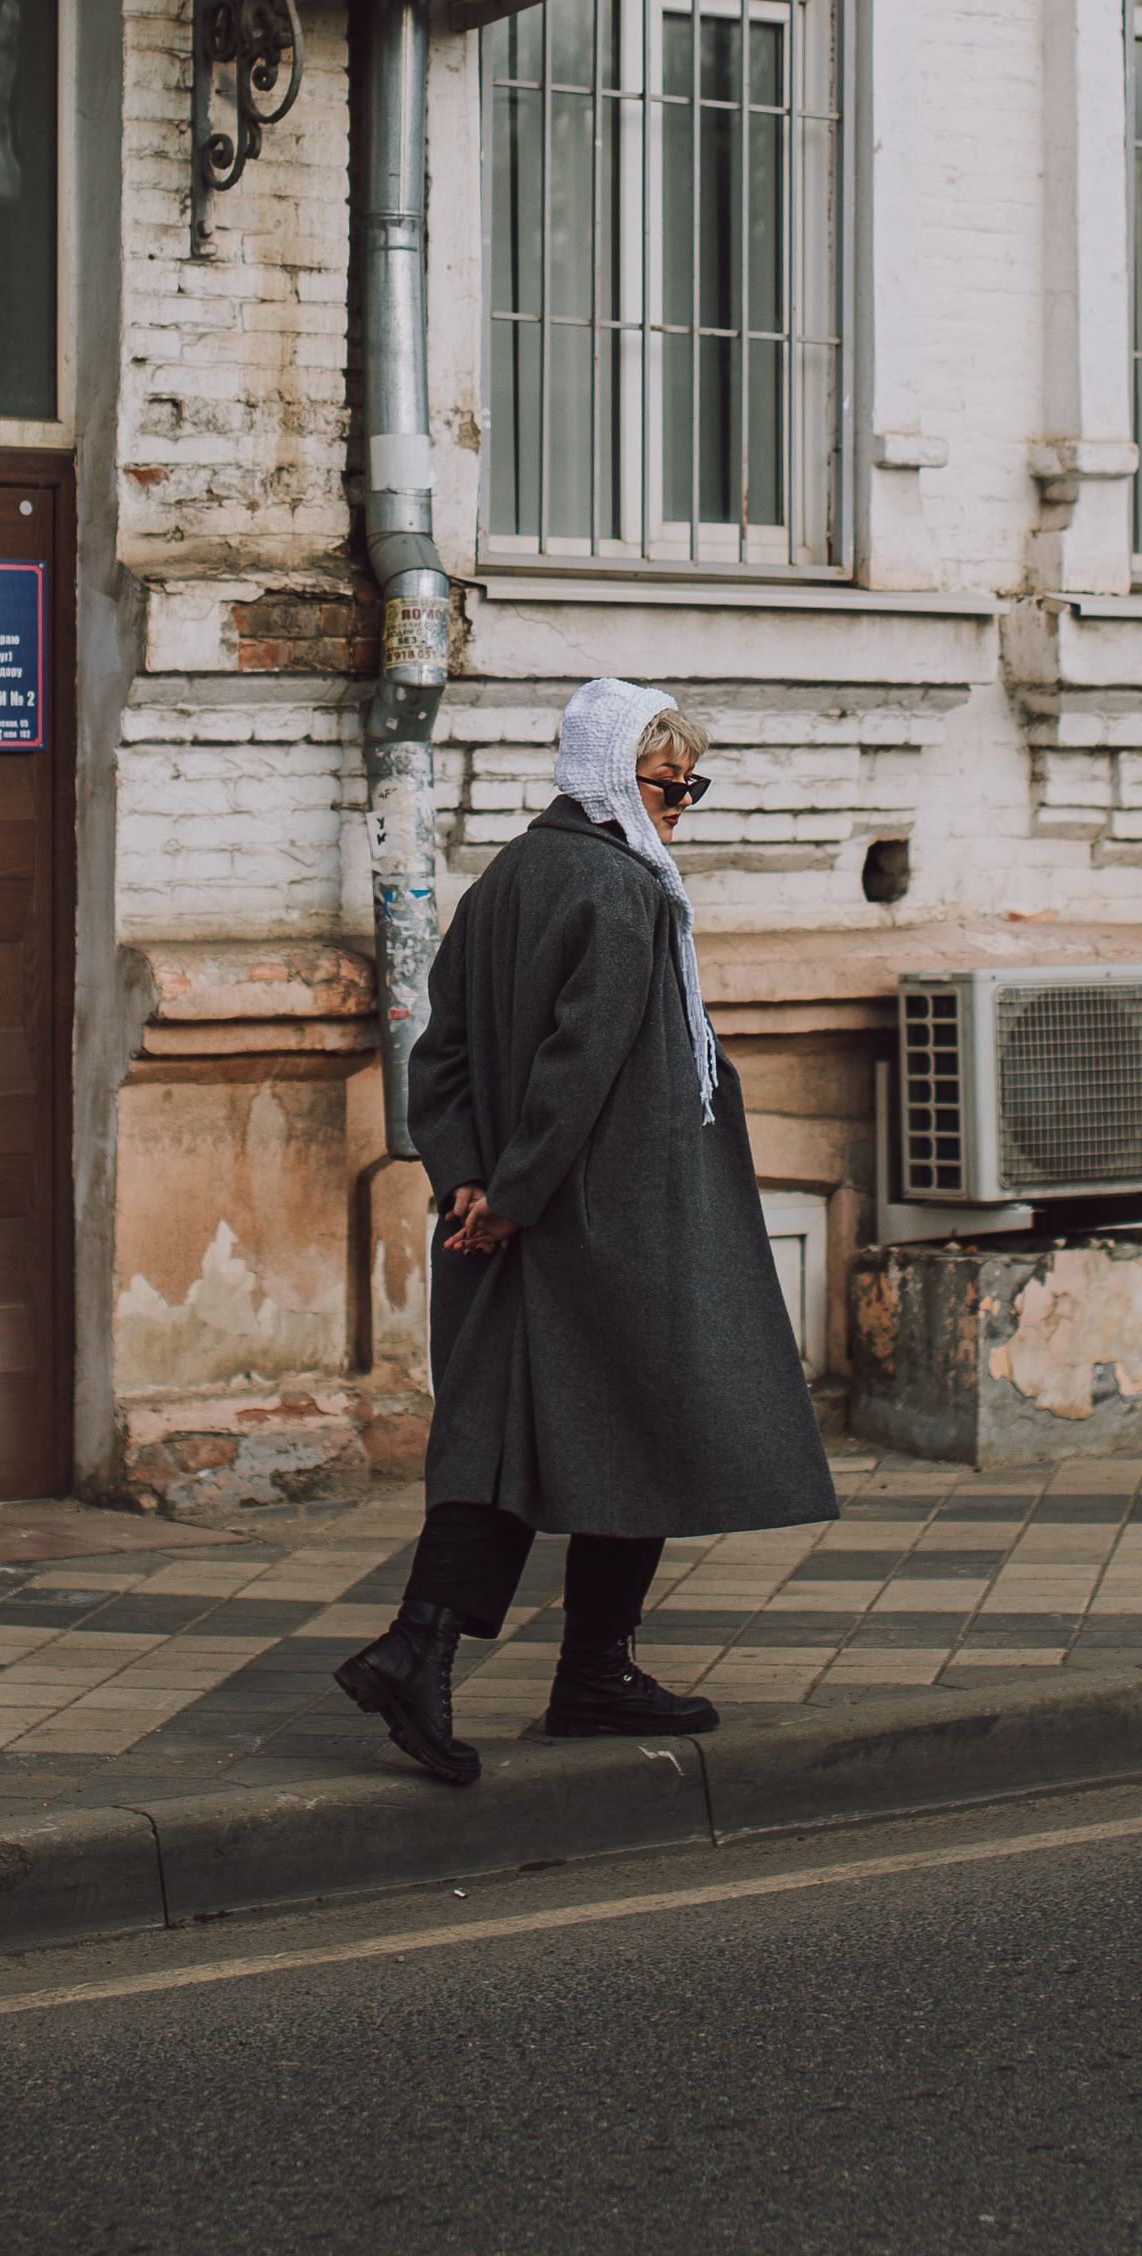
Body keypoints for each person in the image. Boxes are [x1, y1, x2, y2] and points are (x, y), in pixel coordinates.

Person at [336, 675, 838, 1786]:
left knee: (515, 1439)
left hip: (523, 1217)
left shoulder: (508, 878)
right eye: (671, 784)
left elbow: (440, 1051)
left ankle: (450, 1655)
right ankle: (574, 1669)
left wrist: (468, 1182)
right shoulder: (622, 892)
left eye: (691, 787)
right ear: (614, 774)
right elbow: (582, 1072)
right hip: (612, 1222)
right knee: (639, 1430)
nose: (681, 806)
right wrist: (509, 1196)